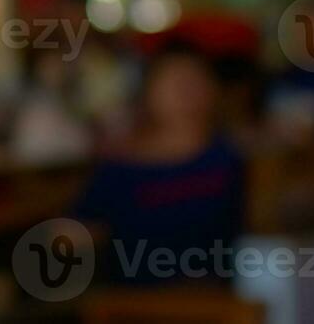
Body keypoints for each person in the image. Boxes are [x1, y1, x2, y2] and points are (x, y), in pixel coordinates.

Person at [74, 41, 246, 287]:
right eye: (173, 81)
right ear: (148, 92)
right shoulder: (120, 166)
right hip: (134, 305)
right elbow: (74, 234)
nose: (184, 91)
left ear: (213, 89)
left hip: (220, 303)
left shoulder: (235, 157)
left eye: (193, 80)